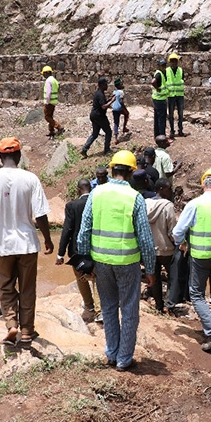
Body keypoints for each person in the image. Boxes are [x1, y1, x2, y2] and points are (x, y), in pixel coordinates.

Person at [76, 150, 156, 371]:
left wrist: (86, 263)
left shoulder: (96, 193)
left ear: (111, 169)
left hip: (101, 262)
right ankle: (124, 358)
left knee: (109, 308)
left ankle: (112, 353)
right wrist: (150, 269)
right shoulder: (135, 198)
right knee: (129, 309)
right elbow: (145, 239)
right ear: (131, 172)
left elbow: (84, 232)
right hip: (127, 263)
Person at [0, 137, 53, 346]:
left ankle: (12, 325)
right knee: (28, 287)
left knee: (6, 286)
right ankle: (27, 330)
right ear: (19, 156)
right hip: (27, 243)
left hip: (3, 245)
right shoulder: (30, 179)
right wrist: (47, 239)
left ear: (0, 157)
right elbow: (41, 215)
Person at [172, 167, 211, 351]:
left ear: (203, 183)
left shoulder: (194, 204)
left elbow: (177, 232)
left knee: (197, 294)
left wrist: (182, 243)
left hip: (199, 256)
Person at [56, 179, 97, 322]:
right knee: (97, 277)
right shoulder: (97, 203)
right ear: (90, 188)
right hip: (96, 247)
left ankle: (90, 306)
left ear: (78, 189)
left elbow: (67, 230)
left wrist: (60, 253)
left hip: (76, 250)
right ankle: (100, 308)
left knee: (81, 277)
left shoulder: (72, 206)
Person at [145, 178, 177, 313]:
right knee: (173, 276)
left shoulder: (145, 203)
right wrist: (176, 242)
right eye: (169, 188)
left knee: (155, 277)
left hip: (150, 249)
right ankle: (170, 304)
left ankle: (159, 305)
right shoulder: (168, 206)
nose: (171, 191)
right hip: (166, 249)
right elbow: (172, 230)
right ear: (161, 189)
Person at [81, 77, 113, 158]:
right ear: (101, 85)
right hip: (99, 116)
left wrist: (110, 99)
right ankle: (107, 149)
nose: (107, 86)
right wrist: (112, 101)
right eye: (105, 84)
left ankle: (84, 149)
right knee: (108, 132)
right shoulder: (100, 94)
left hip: (94, 115)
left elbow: (102, 103)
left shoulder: (98, 93)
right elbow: (103, 107)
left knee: (95, 134)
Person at [166, 53, 186, 139]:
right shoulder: (166, 71)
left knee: (180, 114)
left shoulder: (181, 70)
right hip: (170, 96)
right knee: (171, 114)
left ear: (177, 62)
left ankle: (180, 130)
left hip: (179, 95)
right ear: (170, 62)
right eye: (172, 61)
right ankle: (172, 131)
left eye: (175, 61)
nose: (174, 63)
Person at [41, 65, 64, 138]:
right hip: (54, 101)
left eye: (43, 74)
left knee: (47, 117)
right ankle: (51, 131)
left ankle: (59, 127)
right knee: (50, 116)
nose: (43, 76)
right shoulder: (54, 80)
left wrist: (46, 102)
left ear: (46, 73)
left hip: (49, 102)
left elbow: (48, 93)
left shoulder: (48, 81)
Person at [151, 58, 169, 138]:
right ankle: (162, 137)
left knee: (157, 118)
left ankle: (157, 135)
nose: (164, 67)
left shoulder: (161, 73)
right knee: (162, 119)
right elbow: (153, 82)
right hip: (160, 100)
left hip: (157, 99)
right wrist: (157, 88)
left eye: (165, 65)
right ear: (159, 66)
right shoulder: (159, 74)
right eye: (162, 65)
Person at [111, 78, 129, 144]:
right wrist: (124, 108)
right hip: (119, 108)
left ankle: (115, 138)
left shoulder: (114, 92)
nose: (123, 85)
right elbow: (121, 101)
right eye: (121, 84)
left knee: (116, 122)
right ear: (119, 86)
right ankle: (124, 127)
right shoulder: (121, 92)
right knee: (127, 114)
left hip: (114, 108)